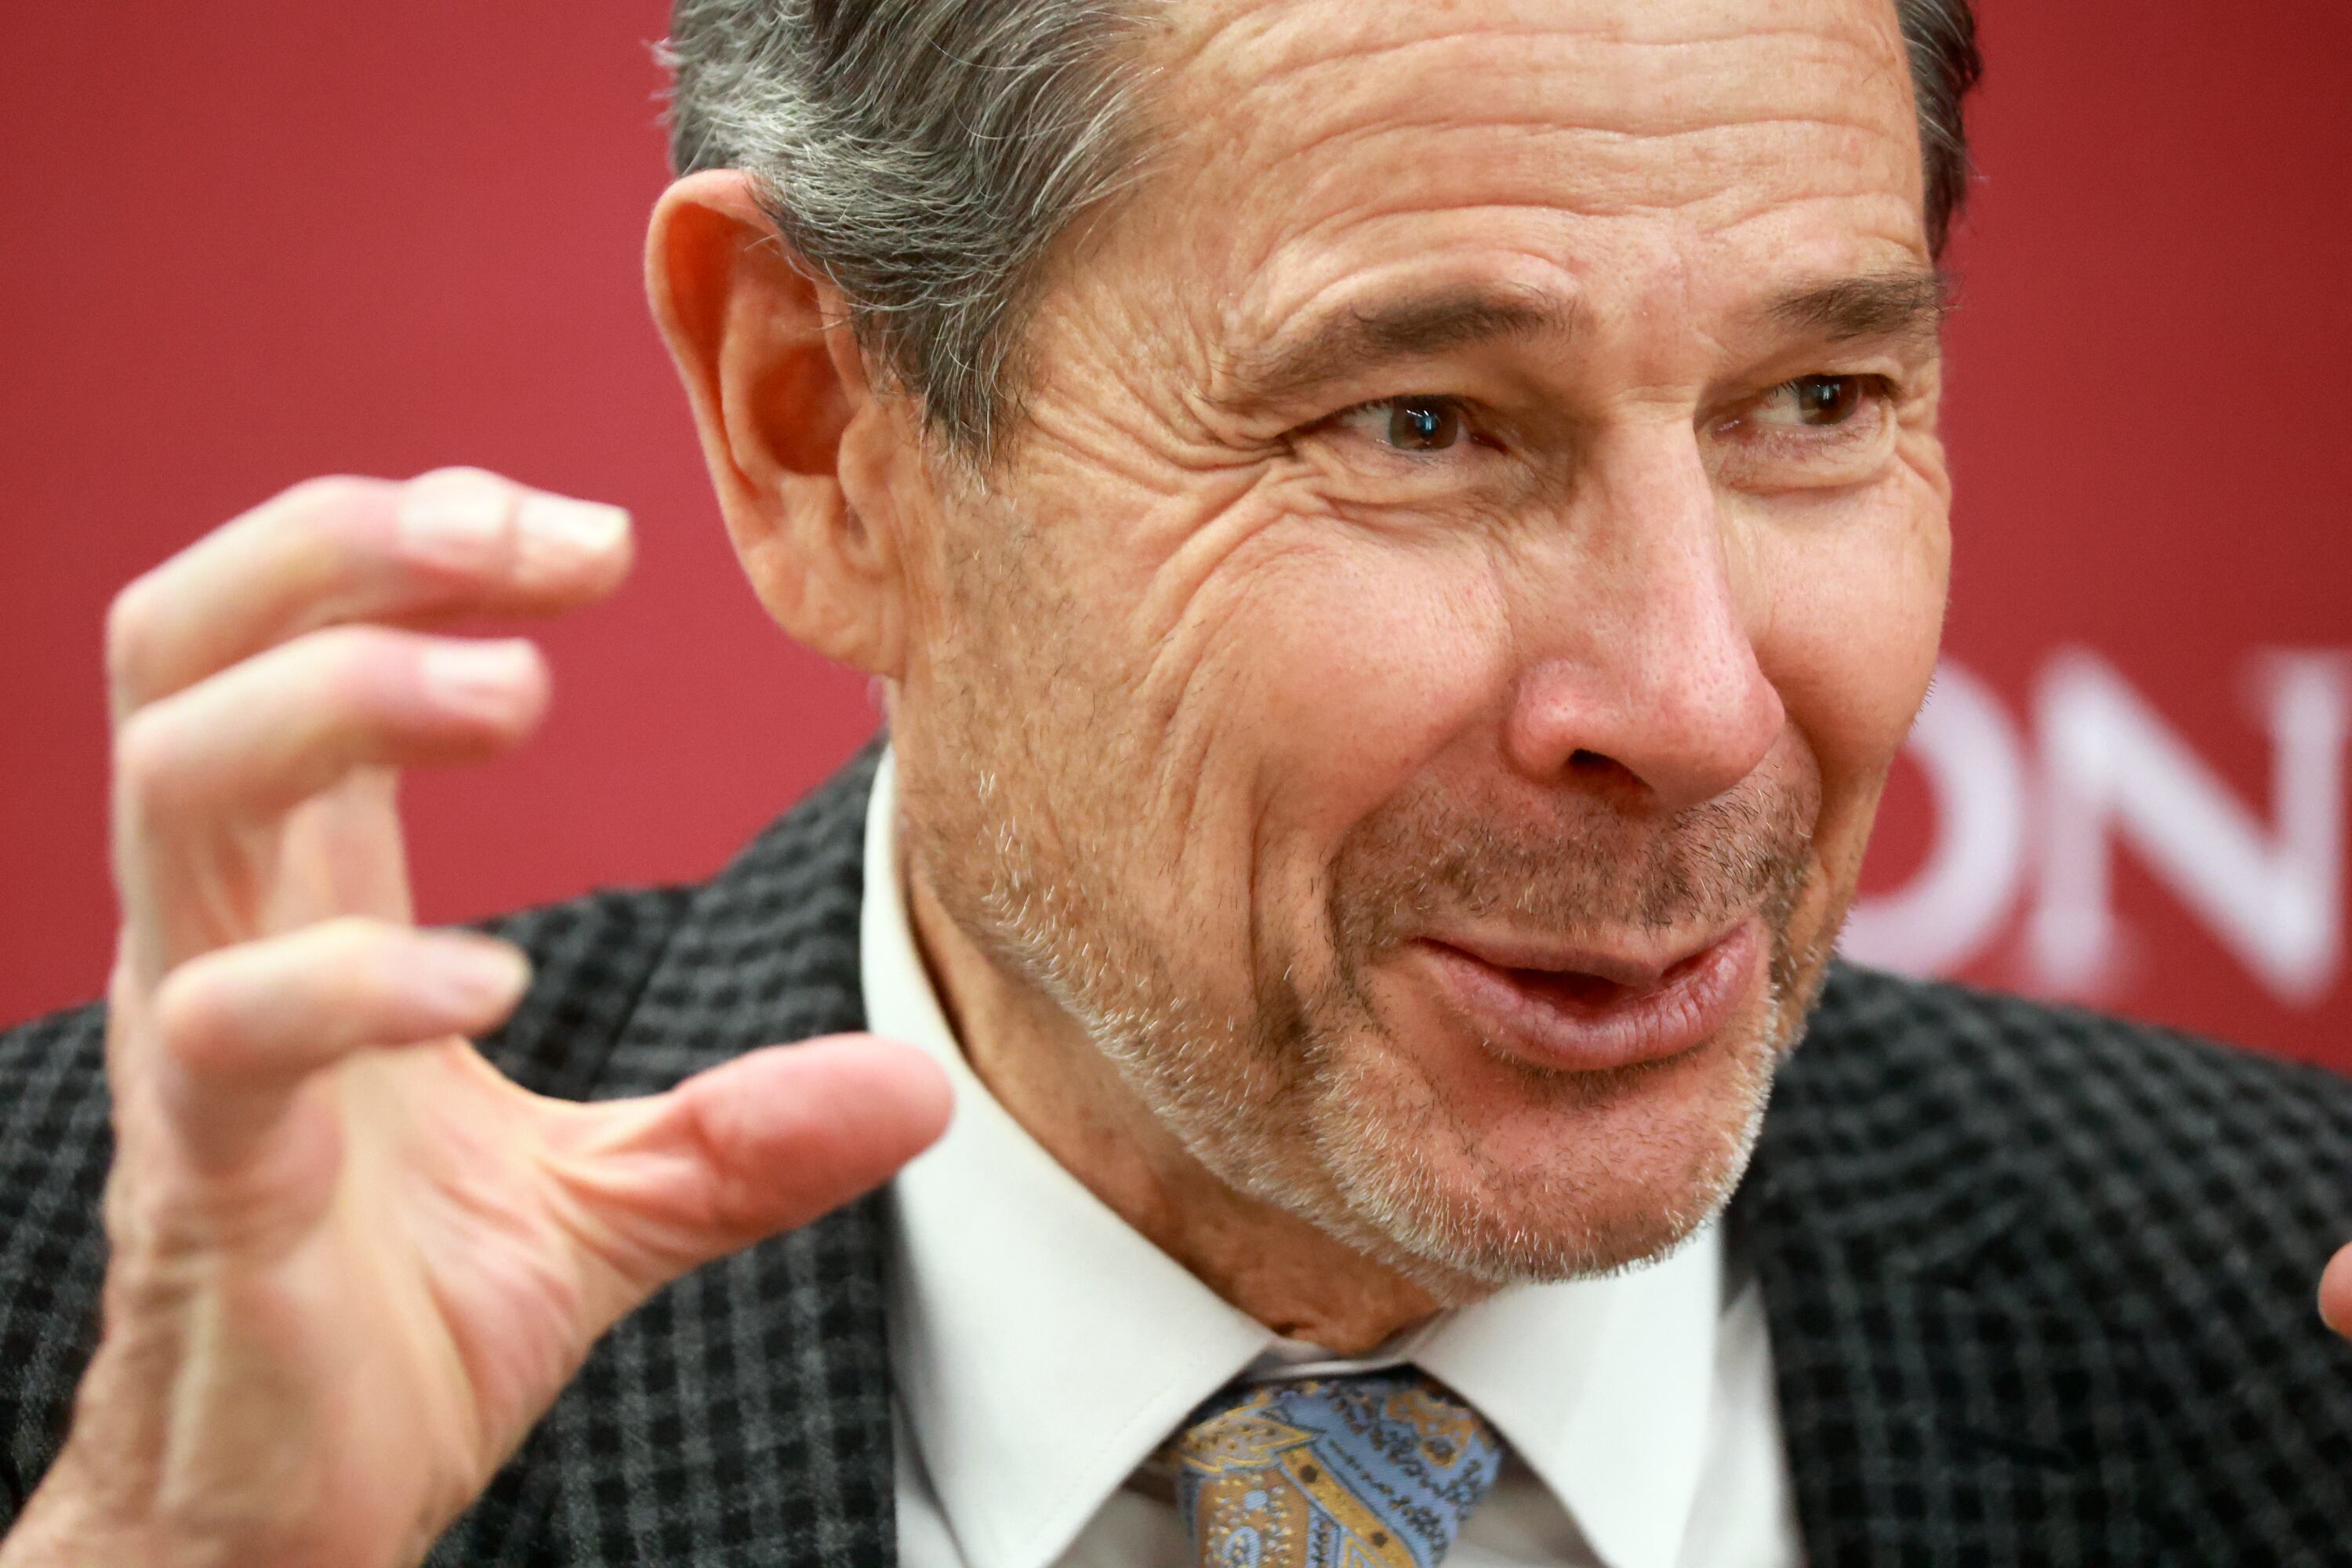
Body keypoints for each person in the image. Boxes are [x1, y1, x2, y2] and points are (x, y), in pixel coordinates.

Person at [2, 0, 2349, 1563]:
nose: (1699, 699)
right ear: (823, 428)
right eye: (1419, 424)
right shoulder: (79, 1364)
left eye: (1817, 403)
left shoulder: (2286, 1356)